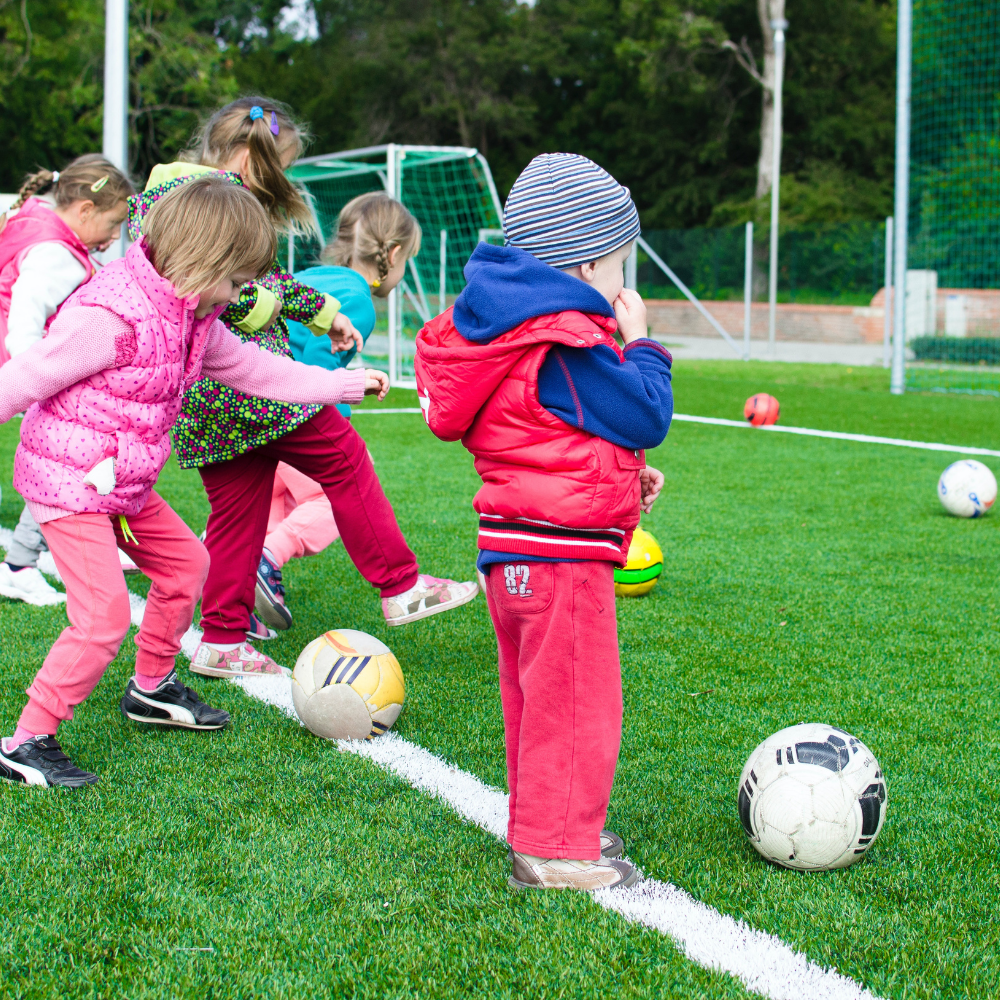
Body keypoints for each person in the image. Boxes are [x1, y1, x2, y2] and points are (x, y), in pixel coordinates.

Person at [0, 176, 388, 789]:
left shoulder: (192, 317)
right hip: (69, 482)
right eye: (236, 282)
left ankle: (151, 688)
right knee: (102, 618)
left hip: (122, 484)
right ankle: (26, 741)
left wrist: (341, 384)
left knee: (187, 566)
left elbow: (256, 371)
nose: (241, 296)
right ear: (203, 262)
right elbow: (23, 379)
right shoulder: (110, 316)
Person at [129, 97, 477, 677]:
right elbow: (228, 292)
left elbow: (263, 279)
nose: (281, 182)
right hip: (251, 384)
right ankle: (400, 585)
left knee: (239, 514)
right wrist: (282, 317)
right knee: (344, 458)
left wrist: (325, 315)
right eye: (279, 167)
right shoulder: (209, 200)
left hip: (205, 399)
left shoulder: (170, 192)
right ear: (248, 156)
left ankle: (220, 639)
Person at [415, 153, 673, 891]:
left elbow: (547, 434)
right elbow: (645, 410)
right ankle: (555, 850)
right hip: (558, 559)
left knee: (538, 701)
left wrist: (625, 481)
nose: (625, 282)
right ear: (589, 262)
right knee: (577, 702)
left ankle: (548, 823)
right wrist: (643, 342)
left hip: (516, 550)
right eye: (622, 263)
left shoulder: (511, 331)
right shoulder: (565, 340)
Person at [254, 192, 420, 636]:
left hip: (248, 407)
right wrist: (334, 431)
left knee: (267, 501)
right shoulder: (358, 301)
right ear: (394, 254)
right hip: (288, 412)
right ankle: (267, 558)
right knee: (331, 497)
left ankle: (237, 588)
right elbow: (318, 363)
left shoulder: (310, 277)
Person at [0, 155, 136, 607]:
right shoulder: (57, 254)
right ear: (84, 211)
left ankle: (40, 555)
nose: (115, 236)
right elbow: (24, 318)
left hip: (24, 375)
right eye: (114, 223)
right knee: (67, 465)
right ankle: (20, 564)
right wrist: (33, 380)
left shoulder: (36, 220)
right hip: (25, 376)